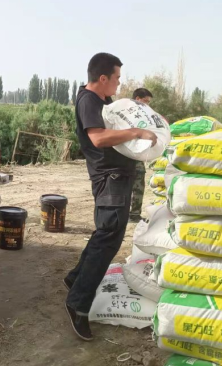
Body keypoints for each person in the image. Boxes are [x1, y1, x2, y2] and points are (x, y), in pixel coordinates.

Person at [64, 53, 157, 341]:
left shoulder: (102, 100)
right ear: (102, 78)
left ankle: (75, 278)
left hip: (117, 177)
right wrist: (136, 131)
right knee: (109, 238)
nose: (119, 83)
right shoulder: (89, 101)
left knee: (105, 233)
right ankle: (78, 304)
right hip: (110, 179)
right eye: (116, 78)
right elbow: (98, 138)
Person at [129, 88, 154, 223]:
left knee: (139, 185)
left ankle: (135, 214)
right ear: (137, 99)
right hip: (125, 155)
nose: (147, 104)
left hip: (138, 156)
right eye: (146, 101)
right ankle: (123, 214)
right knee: (124, 186)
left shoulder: (145, 116)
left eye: (149, 102)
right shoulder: (126, 114)